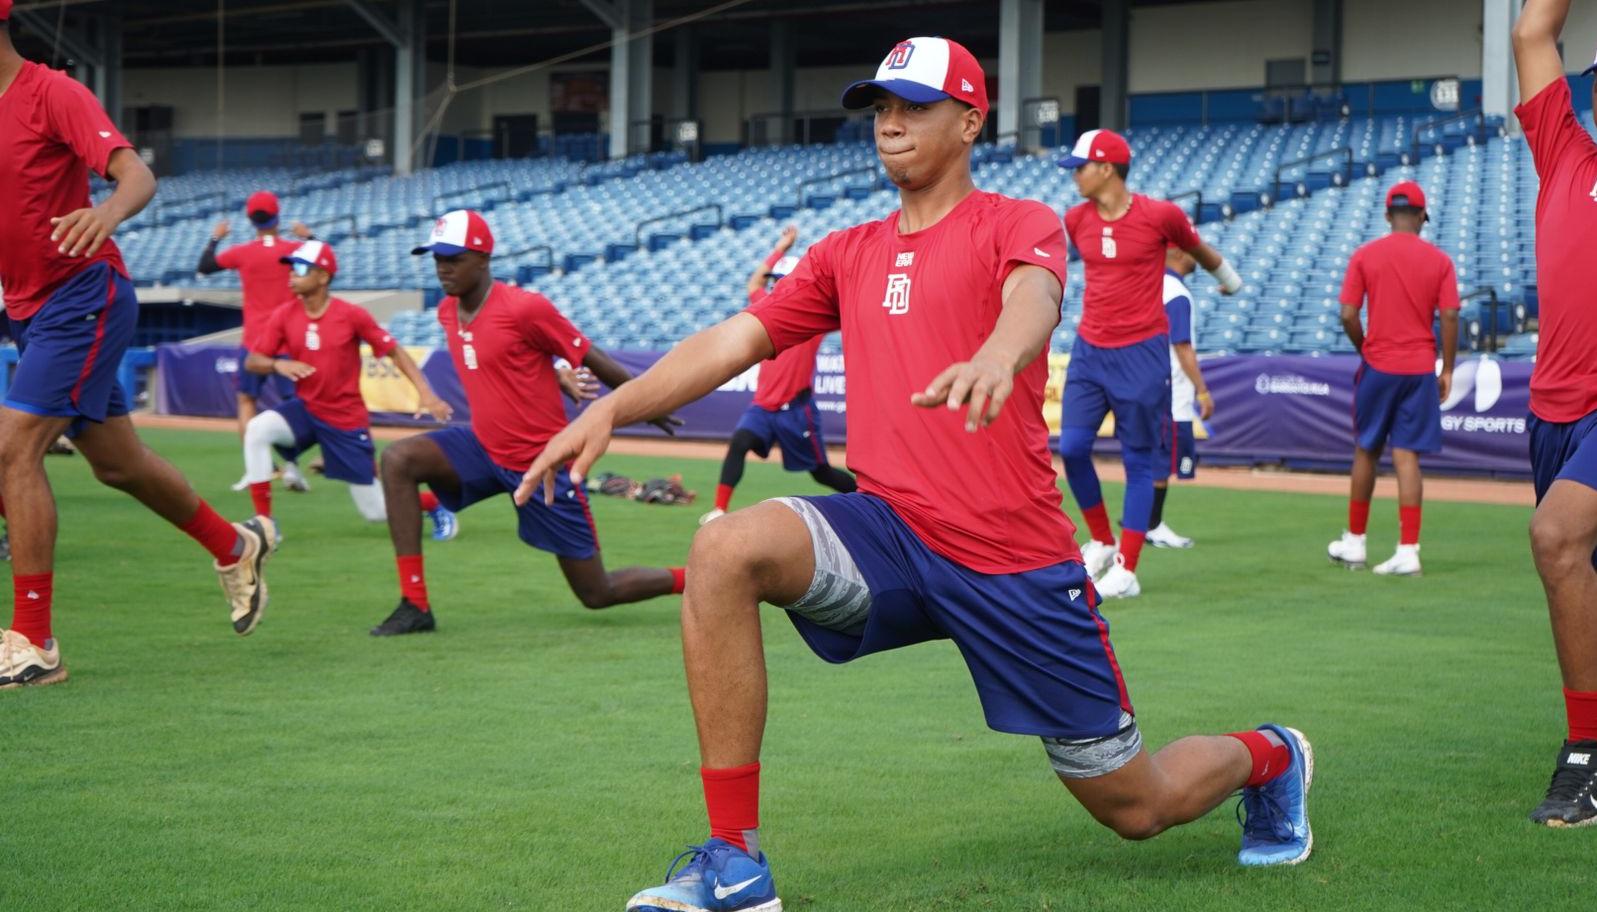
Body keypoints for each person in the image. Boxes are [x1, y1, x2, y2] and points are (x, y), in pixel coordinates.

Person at [516, 38, 1313, 912]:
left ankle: (1273, 754)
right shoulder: (844, 252)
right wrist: (611, 406)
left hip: (1012, 565)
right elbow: (734, 339)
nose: (889, 124)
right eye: (879, 108)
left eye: (913, 106)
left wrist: (999, 356)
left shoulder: (1018, 222)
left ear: (969, 120)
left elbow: (1034, 298)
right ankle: (734, 864)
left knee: (1138, 805)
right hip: (890, 533)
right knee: (723, 551)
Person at [0, 6, 276, 687]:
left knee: (13, 448)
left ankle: (35, 642)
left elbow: (137, 177)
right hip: (27, 308)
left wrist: (105, 212)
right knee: (118, 464)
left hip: (84, 296)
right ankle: (234, 545)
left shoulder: (51, 92)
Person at [369, 209, 688, 637]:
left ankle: (697, 578)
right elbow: (510, 363)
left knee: (597, 593)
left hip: (543, 465)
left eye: (453, 257)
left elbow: (591, 358)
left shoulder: (525, 308)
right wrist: (553, 376)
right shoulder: (447, 311)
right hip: (484, 448)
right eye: (436, 258)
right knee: (398, 460)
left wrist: (648, 403)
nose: (442, 268)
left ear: (483, 259)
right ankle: (414, 604)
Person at [1058, 129, 1242, 598]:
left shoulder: (1161, 215)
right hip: (1089, 350)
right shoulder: (1075, 219)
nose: (1074, 175)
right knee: (1073, 448)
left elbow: (1199, 250)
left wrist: (1229, 280)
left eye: (1080, 166)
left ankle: (1128, 566)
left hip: (1142, 353)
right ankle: (1101, 538)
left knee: (1139, 461)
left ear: (1106, 168)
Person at [1512, 0, 1597, 827]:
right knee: (1583, 573)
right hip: (1552, 408)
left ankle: (1584, 753)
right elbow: (1530, 32)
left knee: (1554, 539)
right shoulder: (1567, 153)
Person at [239, 239, 457, 536]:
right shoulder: (284, 314)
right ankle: (265, 525)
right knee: (257, 429)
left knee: (376, 510)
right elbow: (254, 360)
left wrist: (426, 393)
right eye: (290, 267)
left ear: (323, 277)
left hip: (344, 419)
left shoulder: (350, 315)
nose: (292, 274)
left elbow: (394, 351)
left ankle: (435, 504)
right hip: (306, 409)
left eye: (300, 268)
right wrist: (278, 365)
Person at [1326, 181, 1459, 576]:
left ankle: (1355, 543)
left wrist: (1365, 347)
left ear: (1388, 215)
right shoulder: (1439, 261)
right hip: (1419, 368)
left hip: (1379, 365)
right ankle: (1408, 549)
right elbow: (1450, 315)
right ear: (1421, 216)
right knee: (1407, 456)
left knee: (1366, 449)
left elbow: (1348, 313)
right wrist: (1447, 368)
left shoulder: (1365, 255)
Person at [700, 227, 856, 526]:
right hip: (763, 407)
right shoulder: (765, 307)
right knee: (739, 442)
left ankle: (867, 500)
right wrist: (780, 248)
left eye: (780, 282)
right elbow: (754, 281)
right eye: (774, 283)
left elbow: (848, 306)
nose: (773, 287)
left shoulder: (813, 317)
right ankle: (719, 510)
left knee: (820, 472)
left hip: (796, 411)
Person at [196, 189, 313, 493]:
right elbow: (324, 264)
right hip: (289, 342)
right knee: (295, 405)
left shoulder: (242, 252)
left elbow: (205, 266)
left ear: (251, 219)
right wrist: (309, 236)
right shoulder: (295, 249)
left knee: (247, 401)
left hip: (255, 342)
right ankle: (291, 468)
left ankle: (255, 471)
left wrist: (216, 237)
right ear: (279, 217)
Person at [1147, 245, 1213, 549]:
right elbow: (1182, 346)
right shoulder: (1174, 291)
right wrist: (1203, 390)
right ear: (1175, 252)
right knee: (1161, 463)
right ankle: (1151, 525)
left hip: (1152, 387)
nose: (1195, 255)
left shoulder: (1151, 284)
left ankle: (1146, 522)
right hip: (1171, 392)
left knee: (1152, 461)